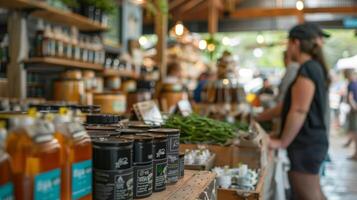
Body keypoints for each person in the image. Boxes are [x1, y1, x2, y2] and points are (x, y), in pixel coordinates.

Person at [268, 24, 330, 200]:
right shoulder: (314, 67)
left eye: (288, 44)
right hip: (311, 142)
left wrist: (282, 142)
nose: (287, 49)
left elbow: (299, 110)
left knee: (308, 195)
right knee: (315, 193)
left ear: (295, 43)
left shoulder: (307, 69)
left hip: (306, 144)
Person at [343, 69, 357, 160]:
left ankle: (356, 154)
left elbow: (350, 98)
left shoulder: (351, 84)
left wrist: (355, 108)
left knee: (354, 131)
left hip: (354, 111)